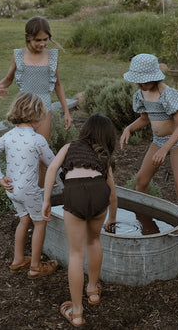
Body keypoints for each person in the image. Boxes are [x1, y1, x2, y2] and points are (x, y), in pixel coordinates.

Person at [120, 53, 178, 258]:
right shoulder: (141, 94)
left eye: (143, 80)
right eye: (137, 80)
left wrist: (166, 148)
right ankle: (146, 224)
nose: (139, 84)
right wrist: (129, 129)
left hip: (176, 143)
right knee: (141, 181)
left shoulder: (168, 94)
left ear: (154, 77)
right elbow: (145, 119)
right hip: (158, 143)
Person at [42, 114, 117, 328]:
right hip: (99, 192)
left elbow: (52, 169)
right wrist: (112, 216)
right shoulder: (104, 155)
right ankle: (93, 291)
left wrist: (46, 200)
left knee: (76, 253)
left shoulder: (69, 147)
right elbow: (112, 191)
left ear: (85, 130)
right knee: (94, 241)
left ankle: (76, 313)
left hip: (75, 193)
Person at [0, 92, 60, 279]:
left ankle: (18, 260)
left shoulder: (9, 135)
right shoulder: (37, 140)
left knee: (23, 220)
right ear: (38, 115)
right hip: (29, 191)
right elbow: (53, 164)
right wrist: (65, 184)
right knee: (40, 222)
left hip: (11, 190)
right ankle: (35, 267)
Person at [0, 16, 72, 187]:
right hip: (24, 110)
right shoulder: (19, 55)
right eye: (38, 40)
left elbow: (58, 84)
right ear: (28, 37)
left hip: (44, 110)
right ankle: (22, 192)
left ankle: (40, 195)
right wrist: (0, 86)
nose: (43, 44)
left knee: (41, 158)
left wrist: (66, 111)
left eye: (46, 40)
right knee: (23, 155)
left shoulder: (52, 56)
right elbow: (8, 79)